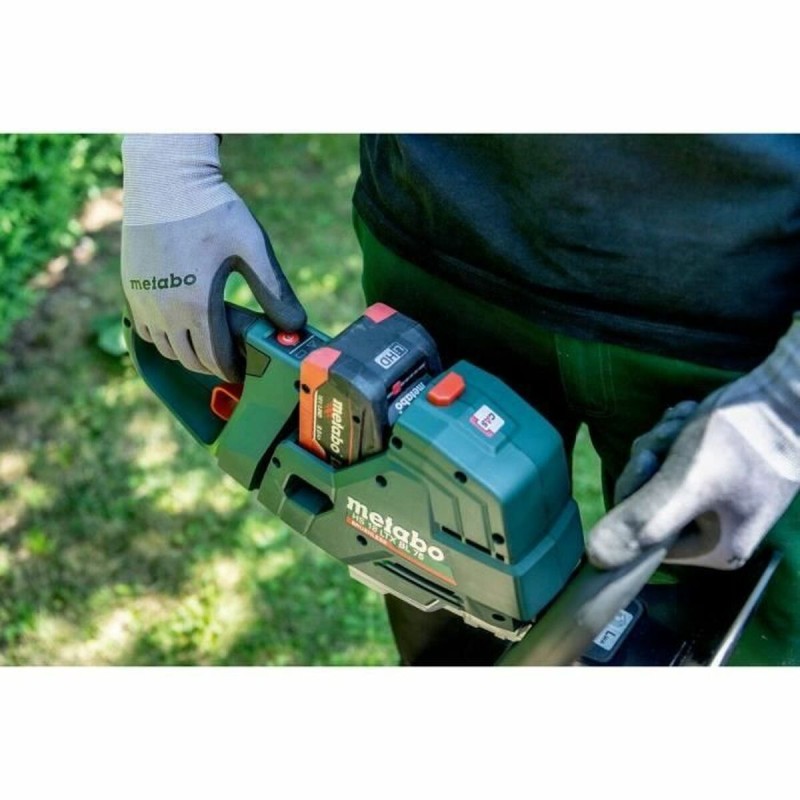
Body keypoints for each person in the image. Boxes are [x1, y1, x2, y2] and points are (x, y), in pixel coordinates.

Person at [121, 133, 800, 666]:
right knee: (442, 620)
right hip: (441, 238)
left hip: (742, 317)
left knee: (737, 645)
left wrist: (782, 409)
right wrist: (167, 162)